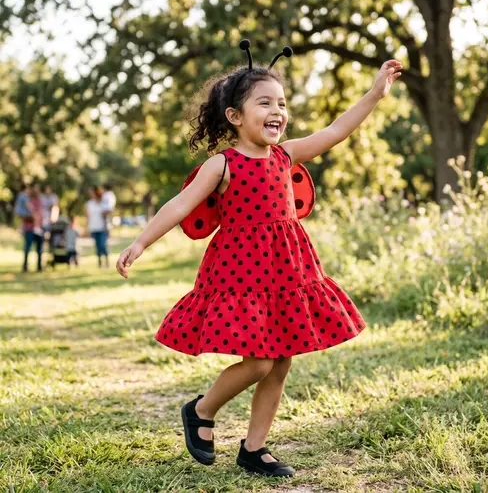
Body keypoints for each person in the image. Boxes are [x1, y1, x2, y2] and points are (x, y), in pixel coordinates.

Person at [116, 40, 402, 477]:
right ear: (234, 116)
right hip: (240, 273)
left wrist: (374, 93)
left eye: (281, 103)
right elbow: (178, 206)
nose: (277, 111)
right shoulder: (223, 165)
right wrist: (140, 243)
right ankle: (201, 409)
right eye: (264, 102)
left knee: (282, 359)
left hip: (286, 271)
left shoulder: (286, 155)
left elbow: (335, 131)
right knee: (260, 359)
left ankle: (254, 449)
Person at [15, 183, 44, 272]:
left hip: (38, 228)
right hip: (29, 228)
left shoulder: (39, 200)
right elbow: (29, 209)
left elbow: (39, 214)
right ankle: (25, 266)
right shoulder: (26, 198)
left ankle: (39, 266)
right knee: (27, 247)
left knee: (39, 249)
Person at [86, 186, 109, 268]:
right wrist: (87, 228)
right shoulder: (89, 204)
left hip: (102, 228)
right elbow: (88, 216)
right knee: (97, 246)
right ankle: (100, 263)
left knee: (103, 245)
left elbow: (106, 215)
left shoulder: (103, 203)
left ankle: (106, 261)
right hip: (93, 227)